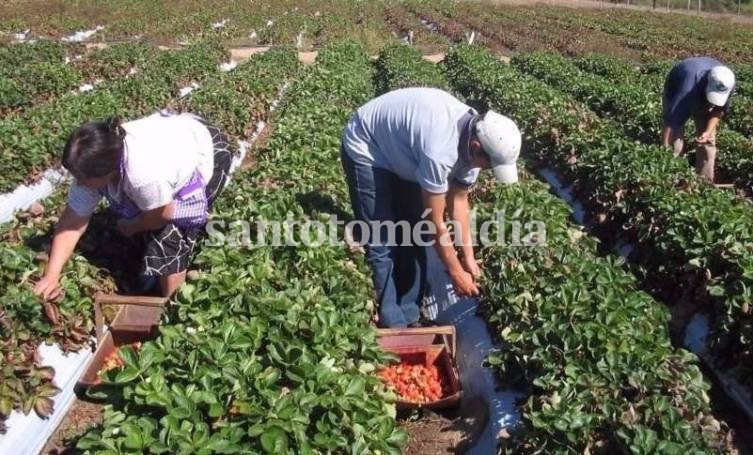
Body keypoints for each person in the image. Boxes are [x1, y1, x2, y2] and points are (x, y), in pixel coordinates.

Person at [341, 87, 521, 328]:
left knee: (414, 233)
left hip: (404, 152)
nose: (487, 171)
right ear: (477, 147)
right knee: (382, 236)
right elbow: (434, 222)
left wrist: (468, 258)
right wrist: (455, 272)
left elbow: (458, 202)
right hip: (368, 145)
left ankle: (410, 313)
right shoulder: (439, 150)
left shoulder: (476, 141)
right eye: (490, 165)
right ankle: (392, 320)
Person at [33, 111, 234, 301]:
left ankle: (174, 306)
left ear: (106, 173)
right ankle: (152, 272)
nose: (80, 183)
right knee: (139, 216)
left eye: (83, 179)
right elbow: (72, 222)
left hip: (206, 149)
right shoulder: (95, 162)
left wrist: (132, 226)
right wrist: (51, 275)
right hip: (176, 143)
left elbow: (159, 216)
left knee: (169, 235)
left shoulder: (143, 176)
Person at [661, 57, 736, 182]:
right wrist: (664, 147)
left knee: (708, 140)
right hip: (677, 88)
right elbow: (671, 122)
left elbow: (718, 110)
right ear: (707, 83)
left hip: (700, 87)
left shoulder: (728, 83)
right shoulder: (687, 86)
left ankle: (704, 181)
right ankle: (670, 178)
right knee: (674, 143)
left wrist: (707, 132)